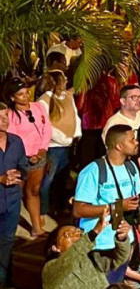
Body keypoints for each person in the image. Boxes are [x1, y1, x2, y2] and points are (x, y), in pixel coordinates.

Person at [73, 125, 140, 286]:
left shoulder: (132, 168)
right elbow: (78, 209)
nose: (136, 142)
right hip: (100, 246)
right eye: (132, 139)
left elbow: (136, 204)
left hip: (124, 242)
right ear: (118, 146)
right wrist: (116, 207)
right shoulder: (93, 171)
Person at [7, 79, 51, 237]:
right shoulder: (11, 116)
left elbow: (47, 128)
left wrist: (42, 150)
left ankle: (36, 228)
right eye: (20, 94)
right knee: (16, 194)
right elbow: (13, 138)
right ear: (13, 97)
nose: (25, 97)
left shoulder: (38, 107)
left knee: (34, 191)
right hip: (20, 159)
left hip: (39, 156)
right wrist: (26, 155)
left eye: (27, 93)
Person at [36, 69, 79, 222]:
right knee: (47, 181)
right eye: (63, 79)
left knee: (62, 179)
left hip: (67, 146)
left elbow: (75, 115)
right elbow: (45, 125)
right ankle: (43, 210)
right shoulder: (45, 100)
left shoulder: (67, 97)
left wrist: (75, 135)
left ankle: (61, 207)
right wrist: (62, 138)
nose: (66, 81)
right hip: (53, 147)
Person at [0, 103, 26, 288]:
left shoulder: (16, 141)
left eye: (6, 116)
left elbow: (24, 166)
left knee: (8, 242)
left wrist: (19, 175)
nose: (5, 121)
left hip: (12, 202)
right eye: (0, 117)